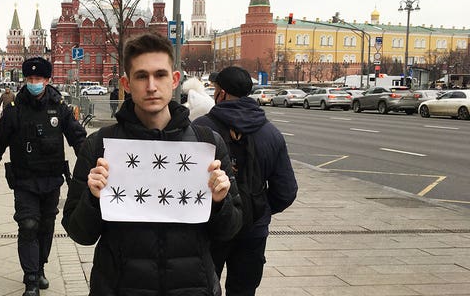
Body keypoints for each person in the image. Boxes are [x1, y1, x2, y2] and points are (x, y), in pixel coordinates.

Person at [62, 32, 242, 295]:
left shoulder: (206, 144)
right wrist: (92, 198)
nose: (151, 86)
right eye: (141, 76)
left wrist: (220, 202)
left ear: (175, 79)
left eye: (160, 75)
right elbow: (80, 234)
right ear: (126, 83)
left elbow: (230, 229)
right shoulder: (100, 145)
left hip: (192, 288)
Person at [0, 57, 87, 296]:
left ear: (47, 80)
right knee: (28, 225)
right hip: (24, 180)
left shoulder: (59, 107)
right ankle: (30, 279)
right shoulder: (14, 110)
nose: (33, 83)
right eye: (29, 79)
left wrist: (89, 164)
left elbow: (78, 138)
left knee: (46, 227)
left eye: (38, 79)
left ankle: (39, 268)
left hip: (51, 179)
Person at [192, 66, 298, 296]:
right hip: (253, 231)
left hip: (211, 227)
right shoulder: (271, 133)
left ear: (221, 93)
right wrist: (258, 207)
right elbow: (286, 191)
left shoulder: (201, 129)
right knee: (244, 290)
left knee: (203, 289)